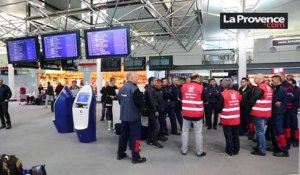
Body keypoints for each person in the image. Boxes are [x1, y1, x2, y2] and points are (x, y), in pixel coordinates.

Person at [117, 72, 146, 164]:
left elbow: (120, 102)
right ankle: (136, 157)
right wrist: (139, 111)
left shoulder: (121, 89)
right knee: (136, 138)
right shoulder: (135, 89)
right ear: (131, 78)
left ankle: (120, 153)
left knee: (123, 136)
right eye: (136, 77)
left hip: (124, 117)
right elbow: (141, 103)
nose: (137, 79)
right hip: (134, 118)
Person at [181, 73, 207, 157]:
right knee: (198, 133)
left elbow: (180, 98)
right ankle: (199, 152)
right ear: (197, 78)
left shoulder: (184, 86)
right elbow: (206, 100)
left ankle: (184, 150)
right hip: (197, 114)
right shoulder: (201, 87)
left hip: (186, 113)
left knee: (185, 132)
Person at [216, 78, 242, 156]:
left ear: (223, 85)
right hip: (236, 118)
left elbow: (219, 107)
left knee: (228, 135)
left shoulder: (223, 94)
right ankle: (236, 150)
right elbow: (240, 101)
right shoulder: (237, 93)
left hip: (227, 118)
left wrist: (218, 111)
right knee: (236, 135)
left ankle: (229, 151)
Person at [249, 74, 273, 156]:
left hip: (259, 112)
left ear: (259, 79)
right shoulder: (269, 87)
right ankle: (261, 146)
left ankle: (261, 150)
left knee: (260, 132)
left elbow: (252, 100)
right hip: (266, 112)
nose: (254, 80)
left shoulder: (260, 88)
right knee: (261, 131)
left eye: (255, 78)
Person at [269, 75, 289, 157]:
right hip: (274, 112)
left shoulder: (281, 89)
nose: (271, 82)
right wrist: (274, 100)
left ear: (278, 81)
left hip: (278, 113)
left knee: (279, 132)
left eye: (273, 80)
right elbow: (274, 99)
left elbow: (272, 98)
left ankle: (284, 150)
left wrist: (272, 99)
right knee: (274, 131)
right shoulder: (276, 88)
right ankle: (277, 147)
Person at [277, 72, 295, 148]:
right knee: (280, 128)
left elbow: (290, 97)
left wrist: (282, 103)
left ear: (283, 77)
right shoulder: (279, 85)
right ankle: (280, 144)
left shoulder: (287, 85)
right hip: (279, 110)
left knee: (286, 127)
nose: (277, 78)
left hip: (287, 110)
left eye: (278, 76)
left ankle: (286, 144)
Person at [145, 77, 163, 148]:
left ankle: (149, 140)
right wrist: (155, 110)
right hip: (152, 110)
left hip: (151, 110)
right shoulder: (150, 90)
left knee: (151, 125)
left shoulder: (151, 89)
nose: (157, 82)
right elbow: (152, 101)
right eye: (155, 81)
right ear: (151, 82)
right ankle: (155, 142)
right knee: (156, 126)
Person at [287, 79, 299, 147]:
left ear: (294, 83)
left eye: (290, 84)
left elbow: (292, 98)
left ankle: (296, 140)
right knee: (287, 125)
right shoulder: (288, 89)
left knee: (294, 126)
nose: (289, 85)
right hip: (287, 110)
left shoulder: (297, 90)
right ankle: (289, 139)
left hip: (293, 109)